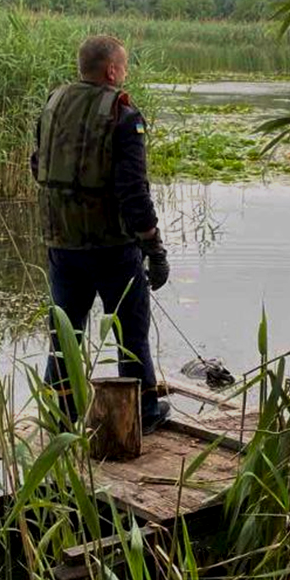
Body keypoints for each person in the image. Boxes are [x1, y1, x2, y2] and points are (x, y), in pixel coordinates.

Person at [33, 34, 171, 434]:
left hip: (62, 244)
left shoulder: (53, 105)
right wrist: (154, 248)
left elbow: (37, 165)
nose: (124, 73)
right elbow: (133, 191)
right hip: (112, 248)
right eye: (124, 66)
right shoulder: (124, 116)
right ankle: (142, 412)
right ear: (111, 70)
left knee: (66, 332)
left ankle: (60, 413)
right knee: (131, 330)